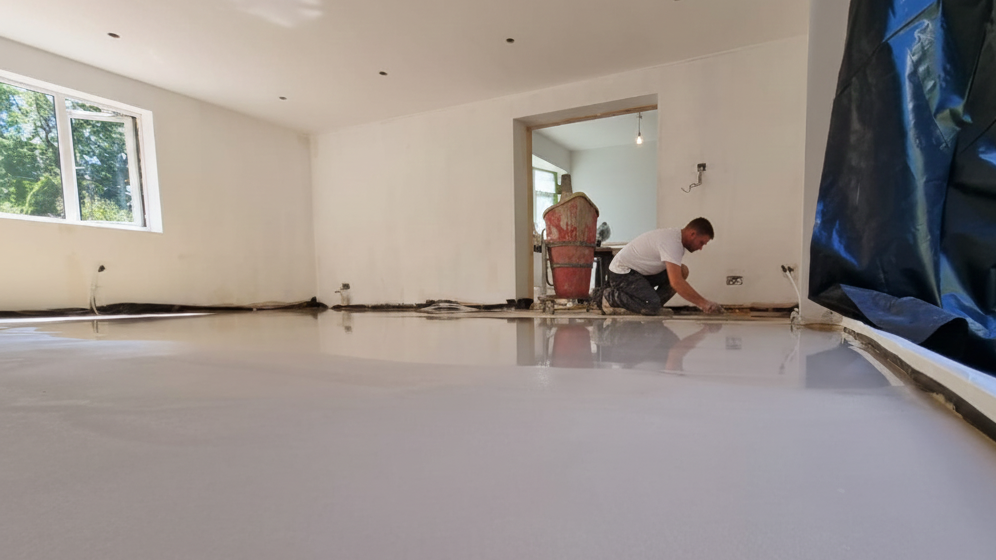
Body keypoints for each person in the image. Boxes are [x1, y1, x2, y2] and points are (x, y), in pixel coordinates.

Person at [600, 217, 724, 316]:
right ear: (692, 234)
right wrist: (705, 304)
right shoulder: (672, 242)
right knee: (651, 303)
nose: (701, 248)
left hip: (639, 273)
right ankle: (608, 297)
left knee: (682, 270)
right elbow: (676, 282)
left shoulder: (677, 240)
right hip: (622, 273)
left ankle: (653, 307)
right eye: (701, 242)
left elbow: (676, 276)